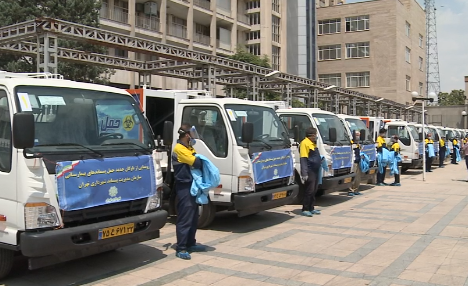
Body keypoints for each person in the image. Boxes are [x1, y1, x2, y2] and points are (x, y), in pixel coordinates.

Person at [172, 124, 205, 260]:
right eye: (191, 133)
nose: (193, 135)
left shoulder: (188, 147)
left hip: (192, 185)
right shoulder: (179, 149)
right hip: (184, 186)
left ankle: (191, 243)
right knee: (185, 217)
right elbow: (196, 162)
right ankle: (181, 247)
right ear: (186, 135)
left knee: (193, 216)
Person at [300, 127, 322, 217]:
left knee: (314, 190)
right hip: (310, 170)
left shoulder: (313, 143)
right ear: (311, 135)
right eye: (315, 135)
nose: (316, 136)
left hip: (316, 170)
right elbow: (303, 159)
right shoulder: (304, 143)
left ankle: (311, 207)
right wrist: (304, 173)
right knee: (309, 190)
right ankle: (305, 208)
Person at [349, 130, 362, 196]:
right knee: (353, 177)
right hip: (353, 162)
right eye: (356, 135)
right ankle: (351, 190)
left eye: (359, 135)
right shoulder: (351, 142)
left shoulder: (358, 143)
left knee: (358, 177)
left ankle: (356, 189)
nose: (358, 136)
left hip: (358, 161)